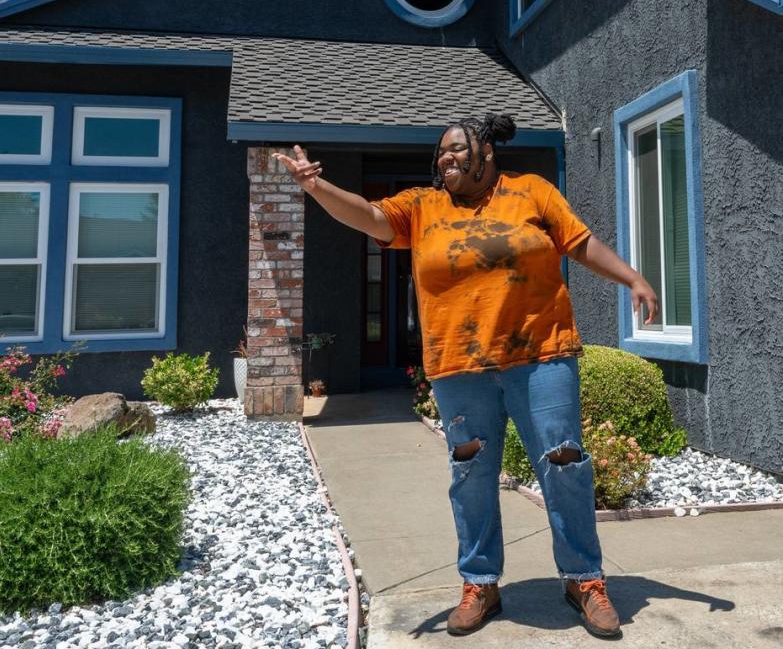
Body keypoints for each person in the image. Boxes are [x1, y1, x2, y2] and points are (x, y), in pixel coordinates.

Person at [273, 114, 658, 640]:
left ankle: (583, 579)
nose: (445, 159)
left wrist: (632, 278)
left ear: (487, 154)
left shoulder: (532, 192)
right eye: (441, 153)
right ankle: (480, 583)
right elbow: (367, 216)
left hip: (541, 356)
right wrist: (315, 187)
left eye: (457, 150)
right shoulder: (422, 206)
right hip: (458, 366)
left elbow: (579, 242)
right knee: (471, 477)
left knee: (565, 464)